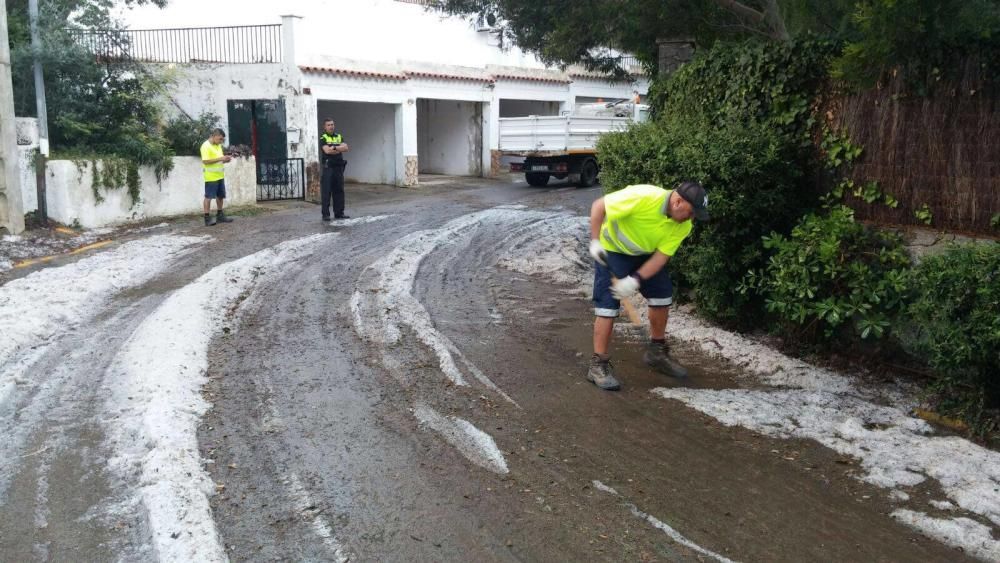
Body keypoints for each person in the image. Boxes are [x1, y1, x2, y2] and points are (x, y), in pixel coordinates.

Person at [586, 181, 709, 391]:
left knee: (662, 296)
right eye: (691, 212)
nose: (691, 218)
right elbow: (599, 206)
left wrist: (635, 280)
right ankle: (598, 365)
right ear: (678, 201)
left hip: (646, 255)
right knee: (607, 306)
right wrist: (595, 241)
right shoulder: (643, 197)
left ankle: (656, 353)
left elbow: (660, 258)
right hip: (612, 250)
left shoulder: (684, 225)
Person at [200, 128, 234, 226]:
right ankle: (207, 218)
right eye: (220, 139)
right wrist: (221, 158)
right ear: (214, 136)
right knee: (208, 197)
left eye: (222, 140)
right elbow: (205, 161)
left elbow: (218, 160)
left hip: (220, 176)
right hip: (211, 177)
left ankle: (220, 215)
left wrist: (225, 160)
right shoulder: (205, 146)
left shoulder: (218, 145)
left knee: (220, 196)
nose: (221, 141)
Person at [319, 118, 350, 221]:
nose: (331, 126)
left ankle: (339, 213)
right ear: (325, 127)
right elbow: (327, 151)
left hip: (338, 167)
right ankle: (326, 215)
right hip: (329, 168)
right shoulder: (323, 137)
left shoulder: (339, 136)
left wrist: (334, 148)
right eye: (328, 125)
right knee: (326, 191)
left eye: (332, 124)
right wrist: (338, 148)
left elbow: (346, 148)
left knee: (339, 190)